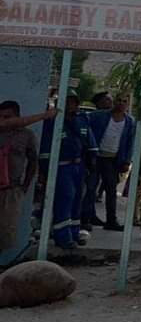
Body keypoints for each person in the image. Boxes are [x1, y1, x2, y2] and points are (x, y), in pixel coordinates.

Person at [39, 92, 97, 250]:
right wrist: (44, 169)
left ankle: (74, 232)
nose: (71, 105)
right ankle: (62, 237)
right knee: (65, 198)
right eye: (67, 101)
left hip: (78, 166)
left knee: (77, 199)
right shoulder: (53, 121)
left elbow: (90, 141)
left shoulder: (82, 120)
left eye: (73, 102)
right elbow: (45, 146)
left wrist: (92, 161)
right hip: (61, 166)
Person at [0, 101, 55, 251]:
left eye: (7, 116)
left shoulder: (26, 135)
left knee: (6, 231)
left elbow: (32, 160)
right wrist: (45, 115)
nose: (4, 120)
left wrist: (25, 185)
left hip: (11, 189)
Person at [86, 93, 135, 231]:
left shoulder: (129, 122)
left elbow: (130, 143)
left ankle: (111, 220)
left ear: (128, 104)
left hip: (113, 160)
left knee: (111, 190)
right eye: (119, 100)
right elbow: (86, 124)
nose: (121, 103)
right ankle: (86, 218)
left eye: (124, 101)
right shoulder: (100, 116)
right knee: (90, 188)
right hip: (96, 157)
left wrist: (126, 161)